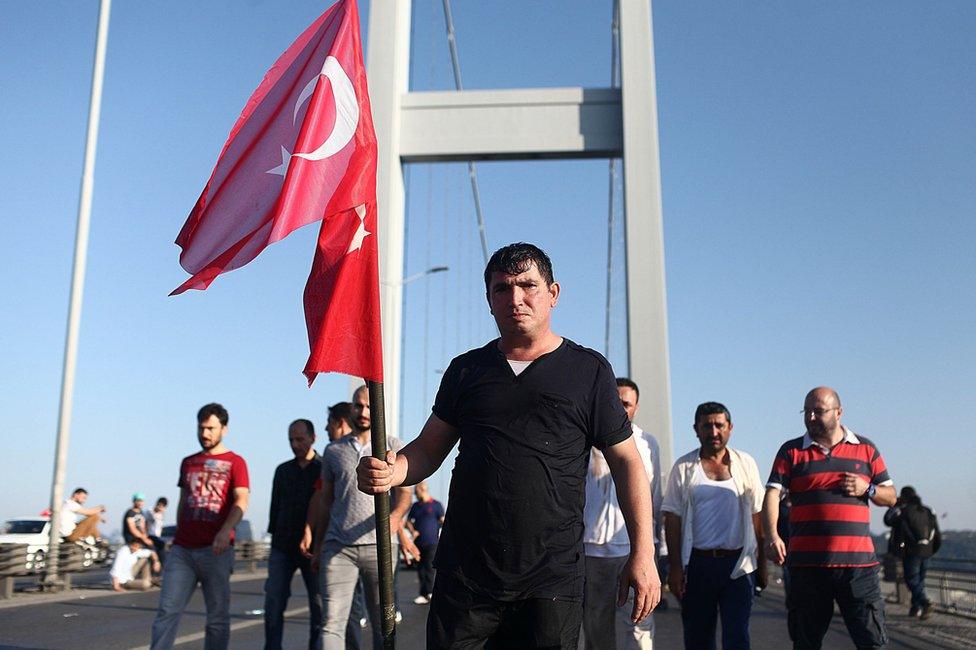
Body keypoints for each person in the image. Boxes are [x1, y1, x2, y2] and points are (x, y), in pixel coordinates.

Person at [357, 242, 661, 648]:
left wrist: (643, 553)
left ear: (553, 293)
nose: (515, 298)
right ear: (488, 300)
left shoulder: (588, 371)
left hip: (549, 582)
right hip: (465, 578)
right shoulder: (466, 370)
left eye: (527, 286)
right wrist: (391, 470)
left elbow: (626, 462)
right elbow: (428, 450)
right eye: (501, 289)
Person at [763, 387, 896, 650]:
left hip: (858, 569)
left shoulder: (866, 449)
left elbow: (891, 496)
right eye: (807, 411)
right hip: (807, 567)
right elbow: (772, 493)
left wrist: (866, 488)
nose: (811, 417)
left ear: (838, 412)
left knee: (872, 642)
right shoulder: (791, 451)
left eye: (819, 411)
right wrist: (772, 536)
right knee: (806, 643)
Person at [310, 386, 415, 650]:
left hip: (379, 547)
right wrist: (318, 544)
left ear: (378, 409)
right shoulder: (333, 450)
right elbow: (325, 501)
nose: (364, 411)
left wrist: (395, 518)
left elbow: (405, 494)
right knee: (332, 622)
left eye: (369, 406)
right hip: (339, 547)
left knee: (383, 625)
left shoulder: (393, 446)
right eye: (358, 405)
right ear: (351, 408)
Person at [661, 401, 766, 649]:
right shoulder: (684, 467)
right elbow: (672, 518)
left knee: (737, 637)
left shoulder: (746, 463)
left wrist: (761, 565)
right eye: (707, 426)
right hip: (698, 565)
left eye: (719, 425)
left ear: (730, 427)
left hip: (738, 566)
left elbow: (758, 515)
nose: (714, 432)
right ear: (696, 429)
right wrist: (675, 568)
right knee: (698, 637)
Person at [150, 403, 250, 650]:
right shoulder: (188, 462)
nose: (205, 434)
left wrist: (226, 530)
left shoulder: (236, 462)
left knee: (217, 617)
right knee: (167, 610)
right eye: (201, 428)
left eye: (211, 428)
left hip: (216, 550)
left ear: (224, 429)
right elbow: (184, 501)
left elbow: (242, 500)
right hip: (183, 550)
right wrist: (176, 535)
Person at [581, 377, 662, 650]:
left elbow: (656, 499)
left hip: (632, 549)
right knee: (595, 626)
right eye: (614, 402)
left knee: (640, 627)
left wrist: (654, 551)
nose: (620, 408)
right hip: (591, 551)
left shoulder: (648, 444)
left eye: (626, 403)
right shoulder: (583, 439)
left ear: (636, 407)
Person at [264, 419, 324, 650]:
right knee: (273, 602)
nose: (295, 444)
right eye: (291, 440)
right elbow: (274, 508)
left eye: (300, 439)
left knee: (318, 605)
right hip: (282, 546)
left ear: (313, 438)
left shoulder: (323, 467)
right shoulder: (282, 470)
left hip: (313, 550)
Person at [883, 486, 940, 619]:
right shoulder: (928, 510)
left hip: (911, 551)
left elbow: (888, 521)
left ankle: (924, 602)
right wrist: (933, 549)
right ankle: (916, 608)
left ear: (904, 497)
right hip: (927, 551)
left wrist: (893, 505)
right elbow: (936, 532)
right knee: (919, 580)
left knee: (911, 579)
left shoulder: (902, 511)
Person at [406, 481, 444, 605]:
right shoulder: (416, 506)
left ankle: (431, 592)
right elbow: (409, 521)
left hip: (432, 542)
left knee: (430, 568)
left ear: (423, 490)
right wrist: (412, 530)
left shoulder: (436, 505)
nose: (416, 496)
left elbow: (442, 520)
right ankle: (423, 594)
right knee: (421, 569)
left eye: (416, 493)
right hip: (419, 543)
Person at [146, 497, 169, 567]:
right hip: (150, 536)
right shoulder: (150, 512)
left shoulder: (162, 514)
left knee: (163, 553)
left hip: (158, 537)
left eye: (163, 506)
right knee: (154, 554)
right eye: (159, 505)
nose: (160, 508)